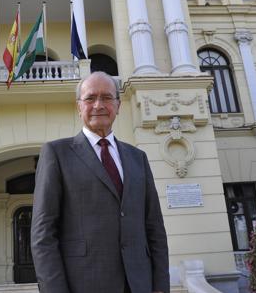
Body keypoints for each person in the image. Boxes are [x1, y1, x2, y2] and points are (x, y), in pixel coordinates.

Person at [31, 71, 170, 293]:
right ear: (79, 107)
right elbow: (43, 235)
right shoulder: (56, 154)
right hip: (84, 284)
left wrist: (160, 285)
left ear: (118, 105)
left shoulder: (138, 158)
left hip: (139, 284)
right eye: (90, 98)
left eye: (106, 97)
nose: (98, 105)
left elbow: (154, 228)